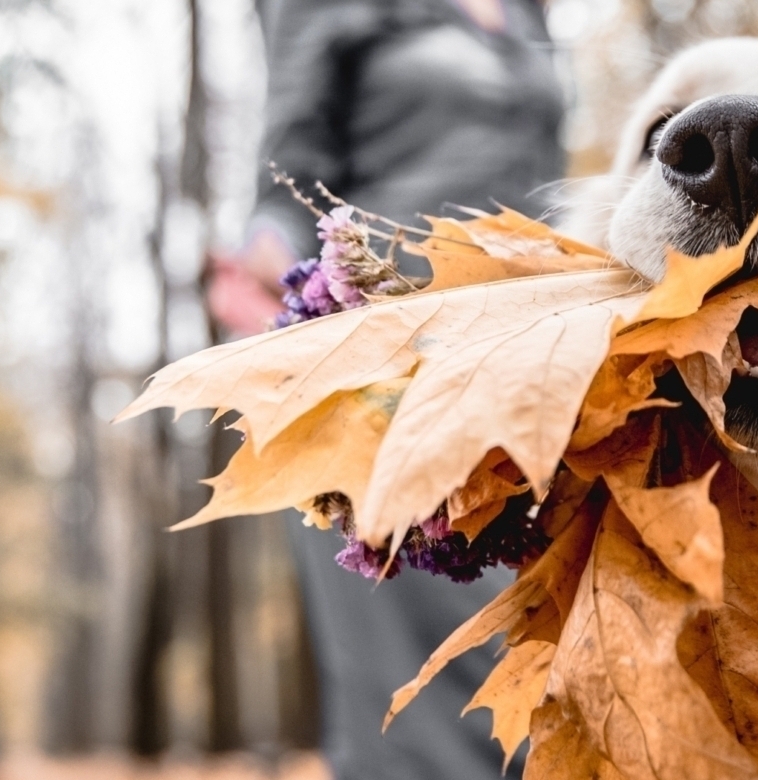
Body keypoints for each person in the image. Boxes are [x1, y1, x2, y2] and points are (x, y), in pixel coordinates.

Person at [209, 0, 564, 777]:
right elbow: (284, 179)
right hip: (386, 362)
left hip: (525, 367)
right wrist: (265, 263)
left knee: (534, 681)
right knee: (416, 694)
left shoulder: (528, 10)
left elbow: (552, 188)